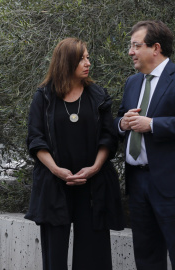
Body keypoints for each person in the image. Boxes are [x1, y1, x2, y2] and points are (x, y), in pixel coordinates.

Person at [26, 38, 124, 270]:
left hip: (92, 185)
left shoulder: (98, 95)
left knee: (94, 254)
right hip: (54, 183)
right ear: (66, 62)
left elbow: (108, 137)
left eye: (88, 57)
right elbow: (35, 139)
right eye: (81, 58)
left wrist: (95, 168)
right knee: (55, 254)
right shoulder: (44, 97)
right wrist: (56, 170)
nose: (87, 63)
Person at [116, 20, 175, 269]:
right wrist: (123, 124)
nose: (130, 52)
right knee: (146, 258)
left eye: (135, 45)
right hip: (137, 184)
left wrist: (152, 125)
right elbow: (117, 121)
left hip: (170, 185)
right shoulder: (133, 82)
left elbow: (154, 124)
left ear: (156, 48)